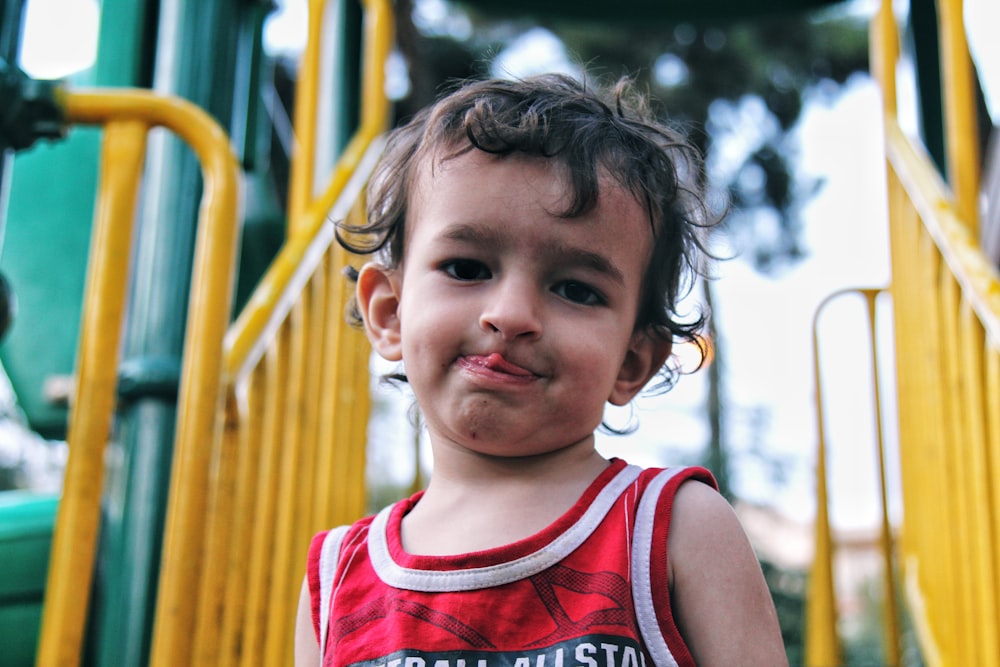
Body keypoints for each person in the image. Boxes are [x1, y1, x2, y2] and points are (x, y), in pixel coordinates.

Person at [294, 73, 787, 667]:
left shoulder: (670, 529)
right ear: (391, 313)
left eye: (575, 288)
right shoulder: (339, 577)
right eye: (467, 268)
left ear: (631, 360)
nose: (511, 315)